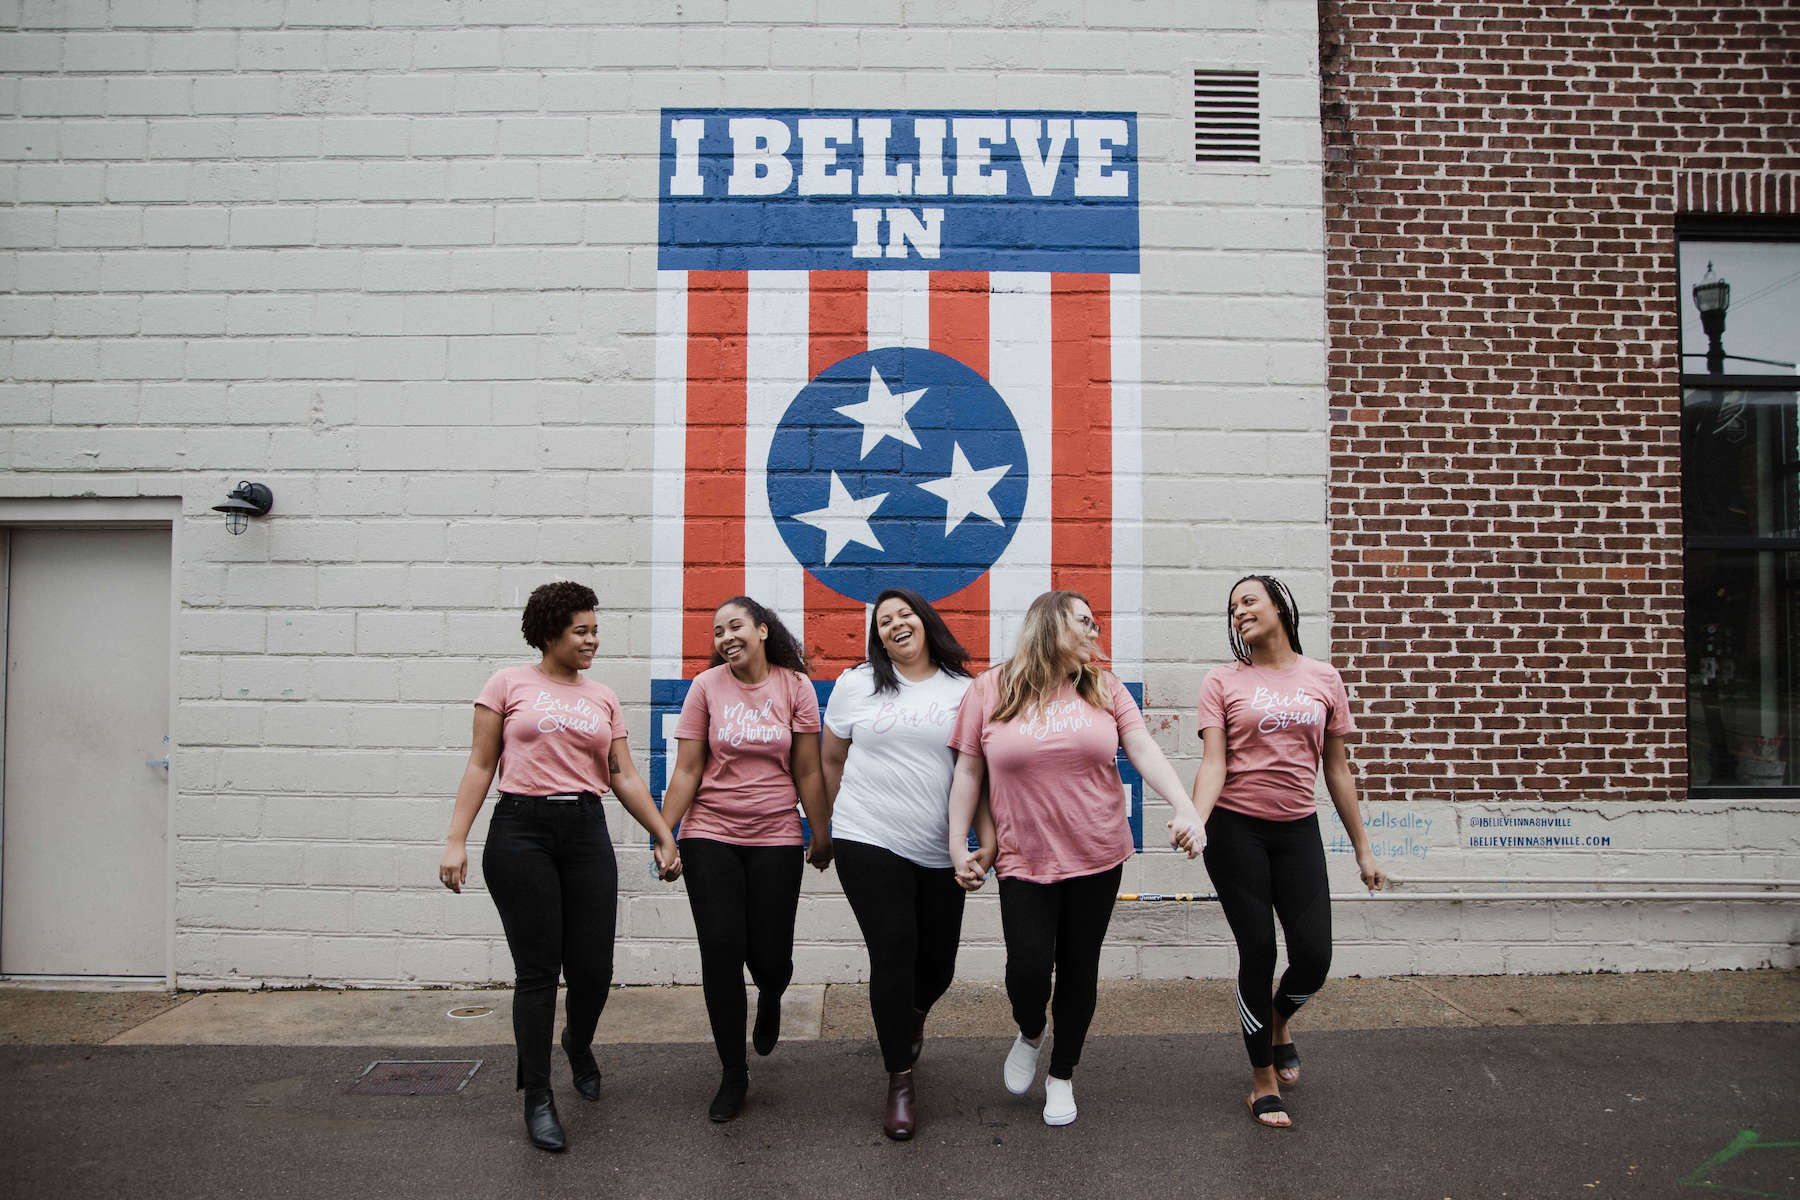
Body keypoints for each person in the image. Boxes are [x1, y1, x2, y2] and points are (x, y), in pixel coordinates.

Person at [438, 581, 681, 1152]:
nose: (592, 640)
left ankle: (577, 1041)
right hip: (520, 832)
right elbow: (480, 765)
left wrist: (663, 833)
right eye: (581, 631)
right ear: (550, 634)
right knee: (538, 972)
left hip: (585, 830)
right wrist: (456, 840)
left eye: (595, 631)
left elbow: (622, 774)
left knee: (593, 969)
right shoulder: (506, 684)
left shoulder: (602, 697)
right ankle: (538, 1096)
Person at [945, 590, 1201, 1127]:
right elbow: (968, 770)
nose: (1094, 631)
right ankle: (1031, 1030)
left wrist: (1185, 807)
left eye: (1095, 624)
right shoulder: (990, 689)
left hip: (1098, 854)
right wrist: (957, 844)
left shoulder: (1104, 688)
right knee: (1027, 971)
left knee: (1080, 969)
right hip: (1023, 857)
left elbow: (1143, 749)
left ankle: (1062, 1074)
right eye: (1083, 622)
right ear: (1048, 624)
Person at [1190, 574, 1385, 1130]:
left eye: (1249, 600)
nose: (1239, 612)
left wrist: (1363, 850)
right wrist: (1197, 820)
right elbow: (1213, 763)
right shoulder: (1222, 681)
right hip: (1235, 831)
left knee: (1314, 958)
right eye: (1233, 607)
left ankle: (1278, 1020)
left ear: (1280, 606)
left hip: (1298, 830)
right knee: (1258, 952)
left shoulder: (1324, 678)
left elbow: (1337, 769)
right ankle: (1262, 1080)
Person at [822, 587, 994, 1141]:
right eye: (883, 621)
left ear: (925, 621)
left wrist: (986, 840)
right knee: (893, 947)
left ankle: (911, 1015)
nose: (895, 624)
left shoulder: (965, 690)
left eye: (904, 614)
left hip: (939, 848)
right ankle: (899, 1076)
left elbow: (976, 772)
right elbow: (830, 759)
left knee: (937, 966)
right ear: (877, 637)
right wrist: (826, 828)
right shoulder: (856, 684)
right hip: (866, 834)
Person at [659, 595, 831, 1122]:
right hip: (710, 833)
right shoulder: (706, 687)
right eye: (717, 632)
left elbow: (807, 769)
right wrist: (665, 834)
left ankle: (772, 993)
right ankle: (734, 1073)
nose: (725, 637)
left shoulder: (795, 687)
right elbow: (687, 769)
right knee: (721, 951)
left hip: (776, 834)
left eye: (734, 626)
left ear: (762, 630)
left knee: (771, 956)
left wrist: (820, 833)